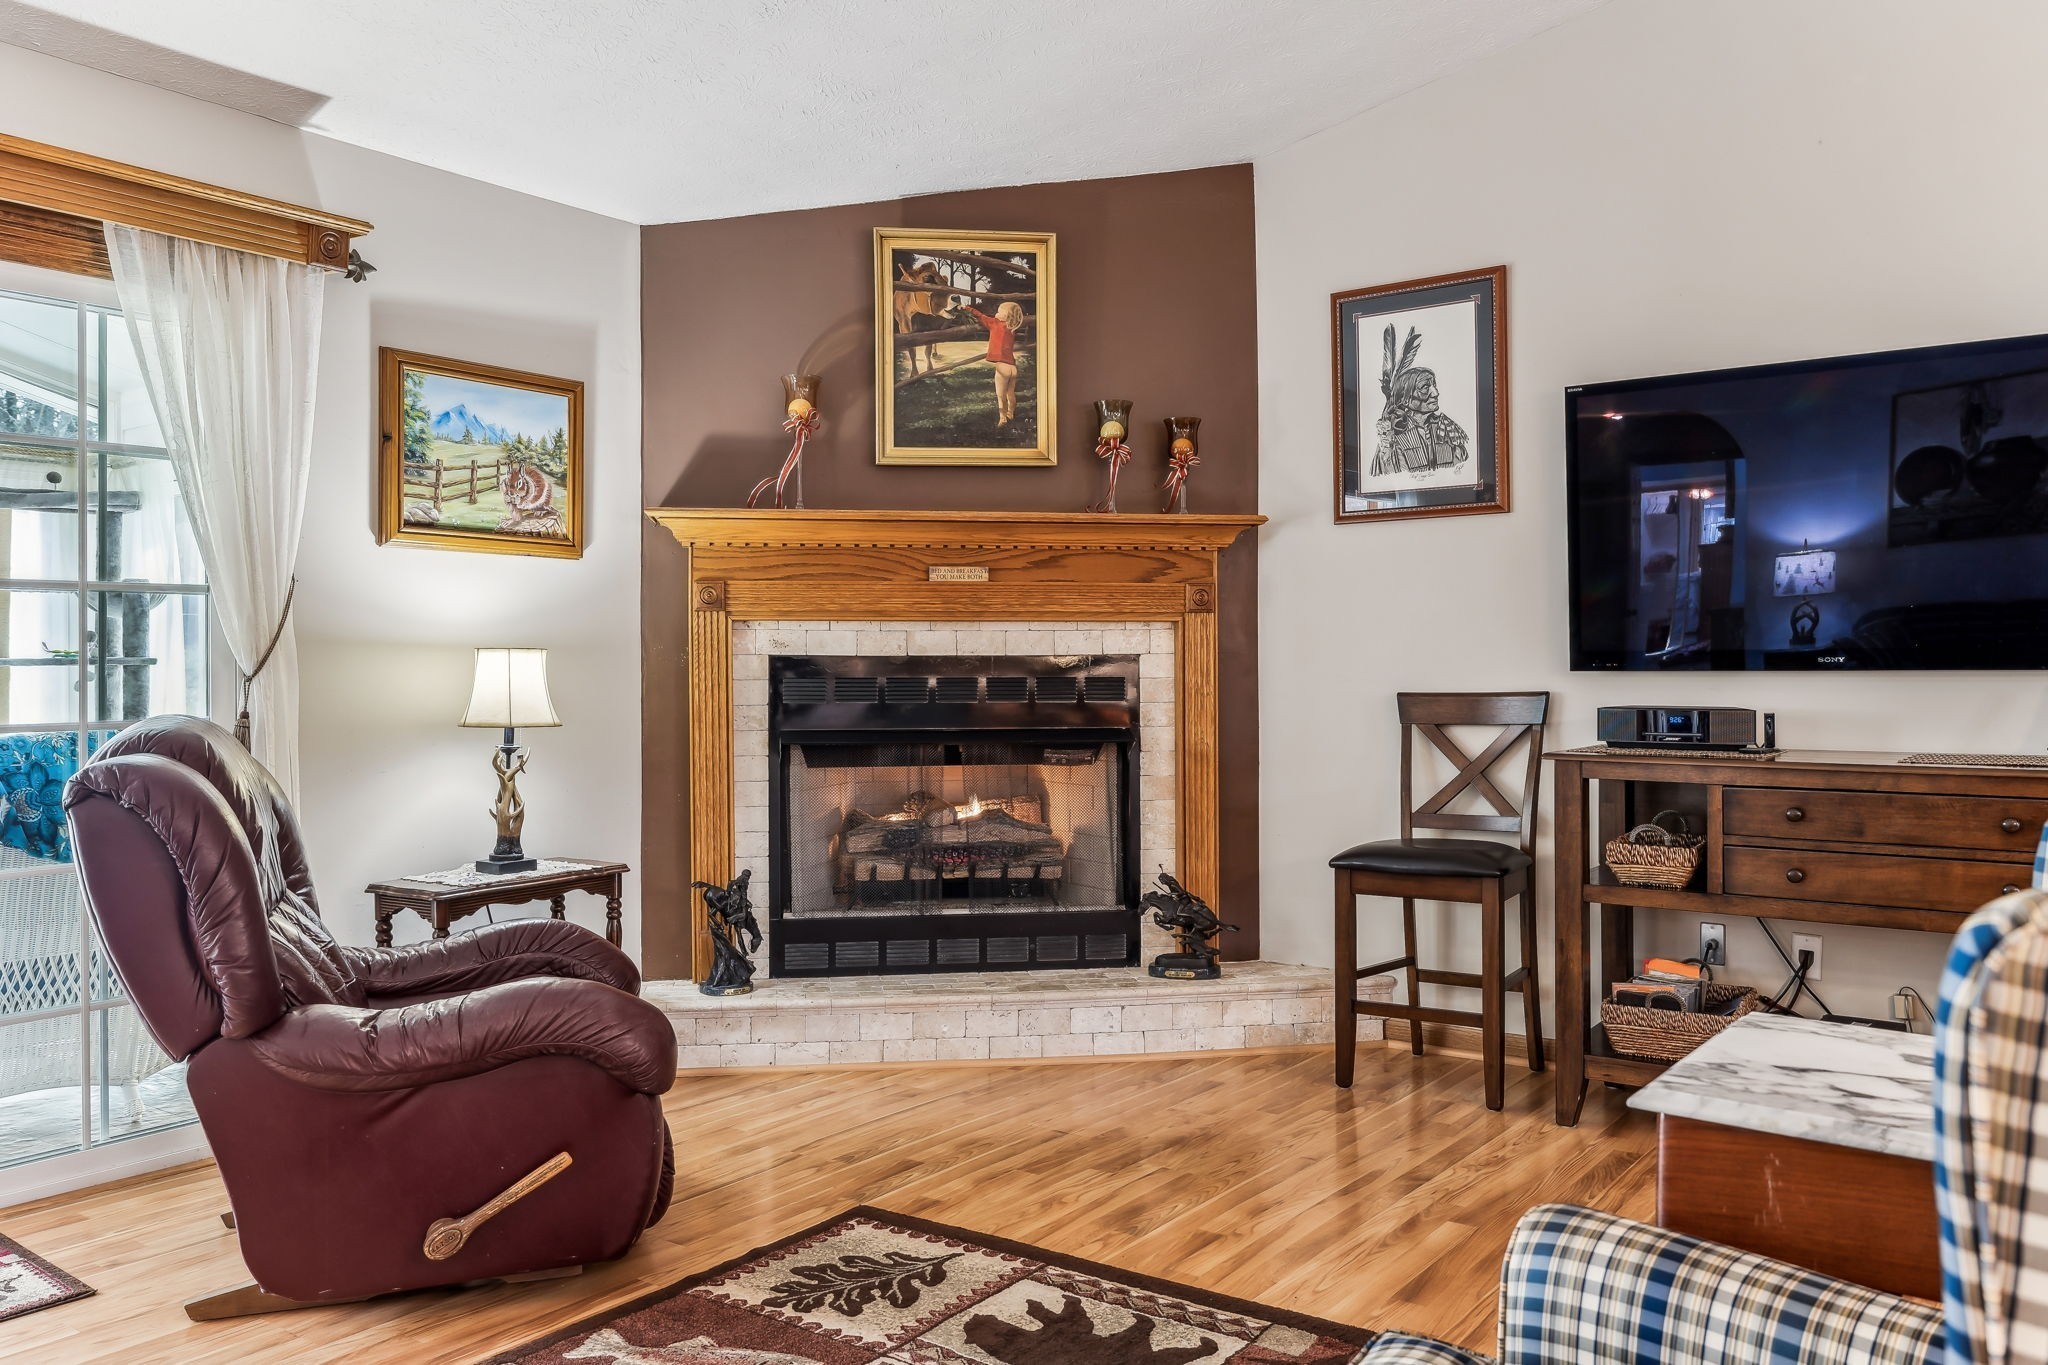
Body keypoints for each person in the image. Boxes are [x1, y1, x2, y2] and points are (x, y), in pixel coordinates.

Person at [1372, 323, 1470, 477]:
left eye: (1434, 385)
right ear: (1405, 399)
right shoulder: (1391, 439)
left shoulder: (1448, 428)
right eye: (1425, 387)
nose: (1435, 393)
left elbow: (1464, 471)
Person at [963, 301, 1026, 429]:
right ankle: (1011, 413)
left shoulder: (995, 324)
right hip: (1012, 366)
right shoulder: (1012, 328)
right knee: (1010, 393)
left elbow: (980, 316)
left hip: (1002, 366)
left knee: (1000, 395)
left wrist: (967, 308)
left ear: (1005, 316)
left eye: (999, 312)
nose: (996, 314)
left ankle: (1002, 418)